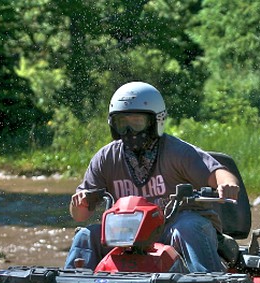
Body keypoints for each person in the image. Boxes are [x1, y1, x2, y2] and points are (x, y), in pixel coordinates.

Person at [64, 81, 240, 273]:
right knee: (85, 235)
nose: (130, 132)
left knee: (188, 227)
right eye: (123, 124)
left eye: (137, 122)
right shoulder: (106, 158)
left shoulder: (178, 152)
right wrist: (79, 204)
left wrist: (227, 184)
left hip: (171, 230)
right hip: (125, 237)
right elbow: (80, 215)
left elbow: (218, 173)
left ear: (156, 121)